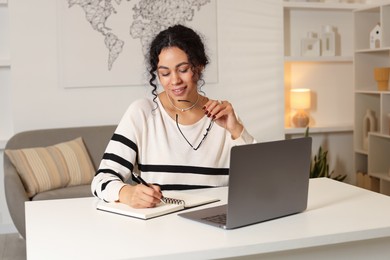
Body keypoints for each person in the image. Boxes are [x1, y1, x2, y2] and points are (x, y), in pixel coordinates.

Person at [91, 24, 255, 209]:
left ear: (199, 66)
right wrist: (127, 193)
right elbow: (101, 180)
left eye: (183, 70)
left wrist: (236, 130)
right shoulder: (143, 113)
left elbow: (260, 180)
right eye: (165, 73)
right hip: (160, 227)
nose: (175, 80)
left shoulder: (223, 115)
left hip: (215, 225)